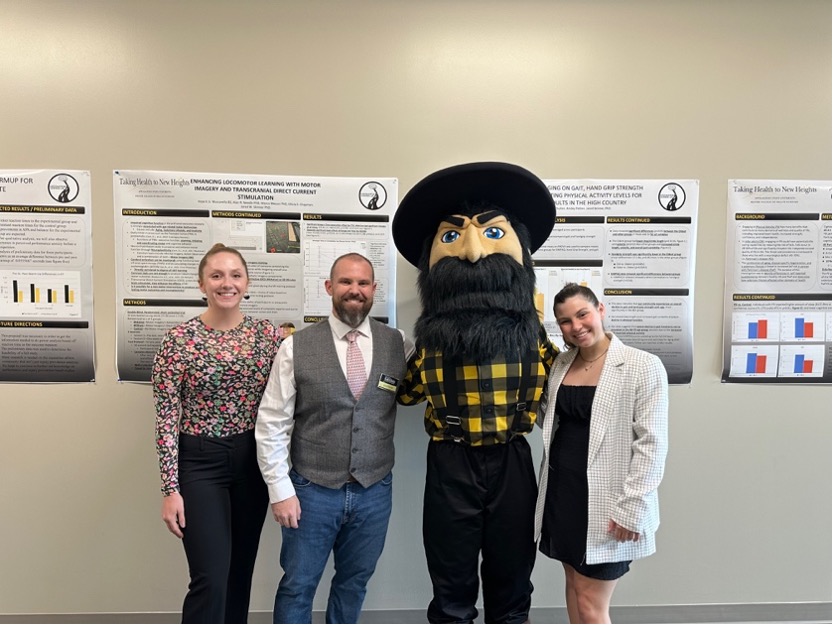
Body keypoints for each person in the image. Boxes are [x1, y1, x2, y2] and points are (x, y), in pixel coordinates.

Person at [393, 162, 560, 623]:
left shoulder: (534, 336)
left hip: (512, 459)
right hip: (451, 462)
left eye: (492, 233)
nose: (471, 252)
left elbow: (568, 384)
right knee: (450, 579)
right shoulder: (429, 342)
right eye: (452, 236)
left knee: (513, 575)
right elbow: (403, 393)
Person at [255, 252, 413, 624]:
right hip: (311, 491)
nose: (354, 290)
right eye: (345, 282)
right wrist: (280, 490)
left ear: (373, 289)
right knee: (298, 585)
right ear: (329, 287)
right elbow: (272, 422)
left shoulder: (398, 344)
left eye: (362, 283)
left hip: (374, 491)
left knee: (354, 583)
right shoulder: (295, 347)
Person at [152, 243, 280, 623]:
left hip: (251, 462)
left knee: (239, 573)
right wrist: (170, 489)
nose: (227, 283)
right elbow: (165, 418)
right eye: (217, 275)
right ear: (202, 284)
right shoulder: (178, 340)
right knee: (210, 577)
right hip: (200, 463)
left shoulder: (267, 336)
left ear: (247, 282)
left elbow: (287, 400)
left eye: (235, 275)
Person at [534, 283, 669, 623]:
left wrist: (632, 508)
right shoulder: (561, 363)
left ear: (600, 310)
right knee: (573, 585)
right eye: (565, 321)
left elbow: (652, 444)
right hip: (563, 494)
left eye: (583, 314)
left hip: (609, 500)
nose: (576, 326)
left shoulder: (642, 365)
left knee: (591, 603)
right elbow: (549, 419)